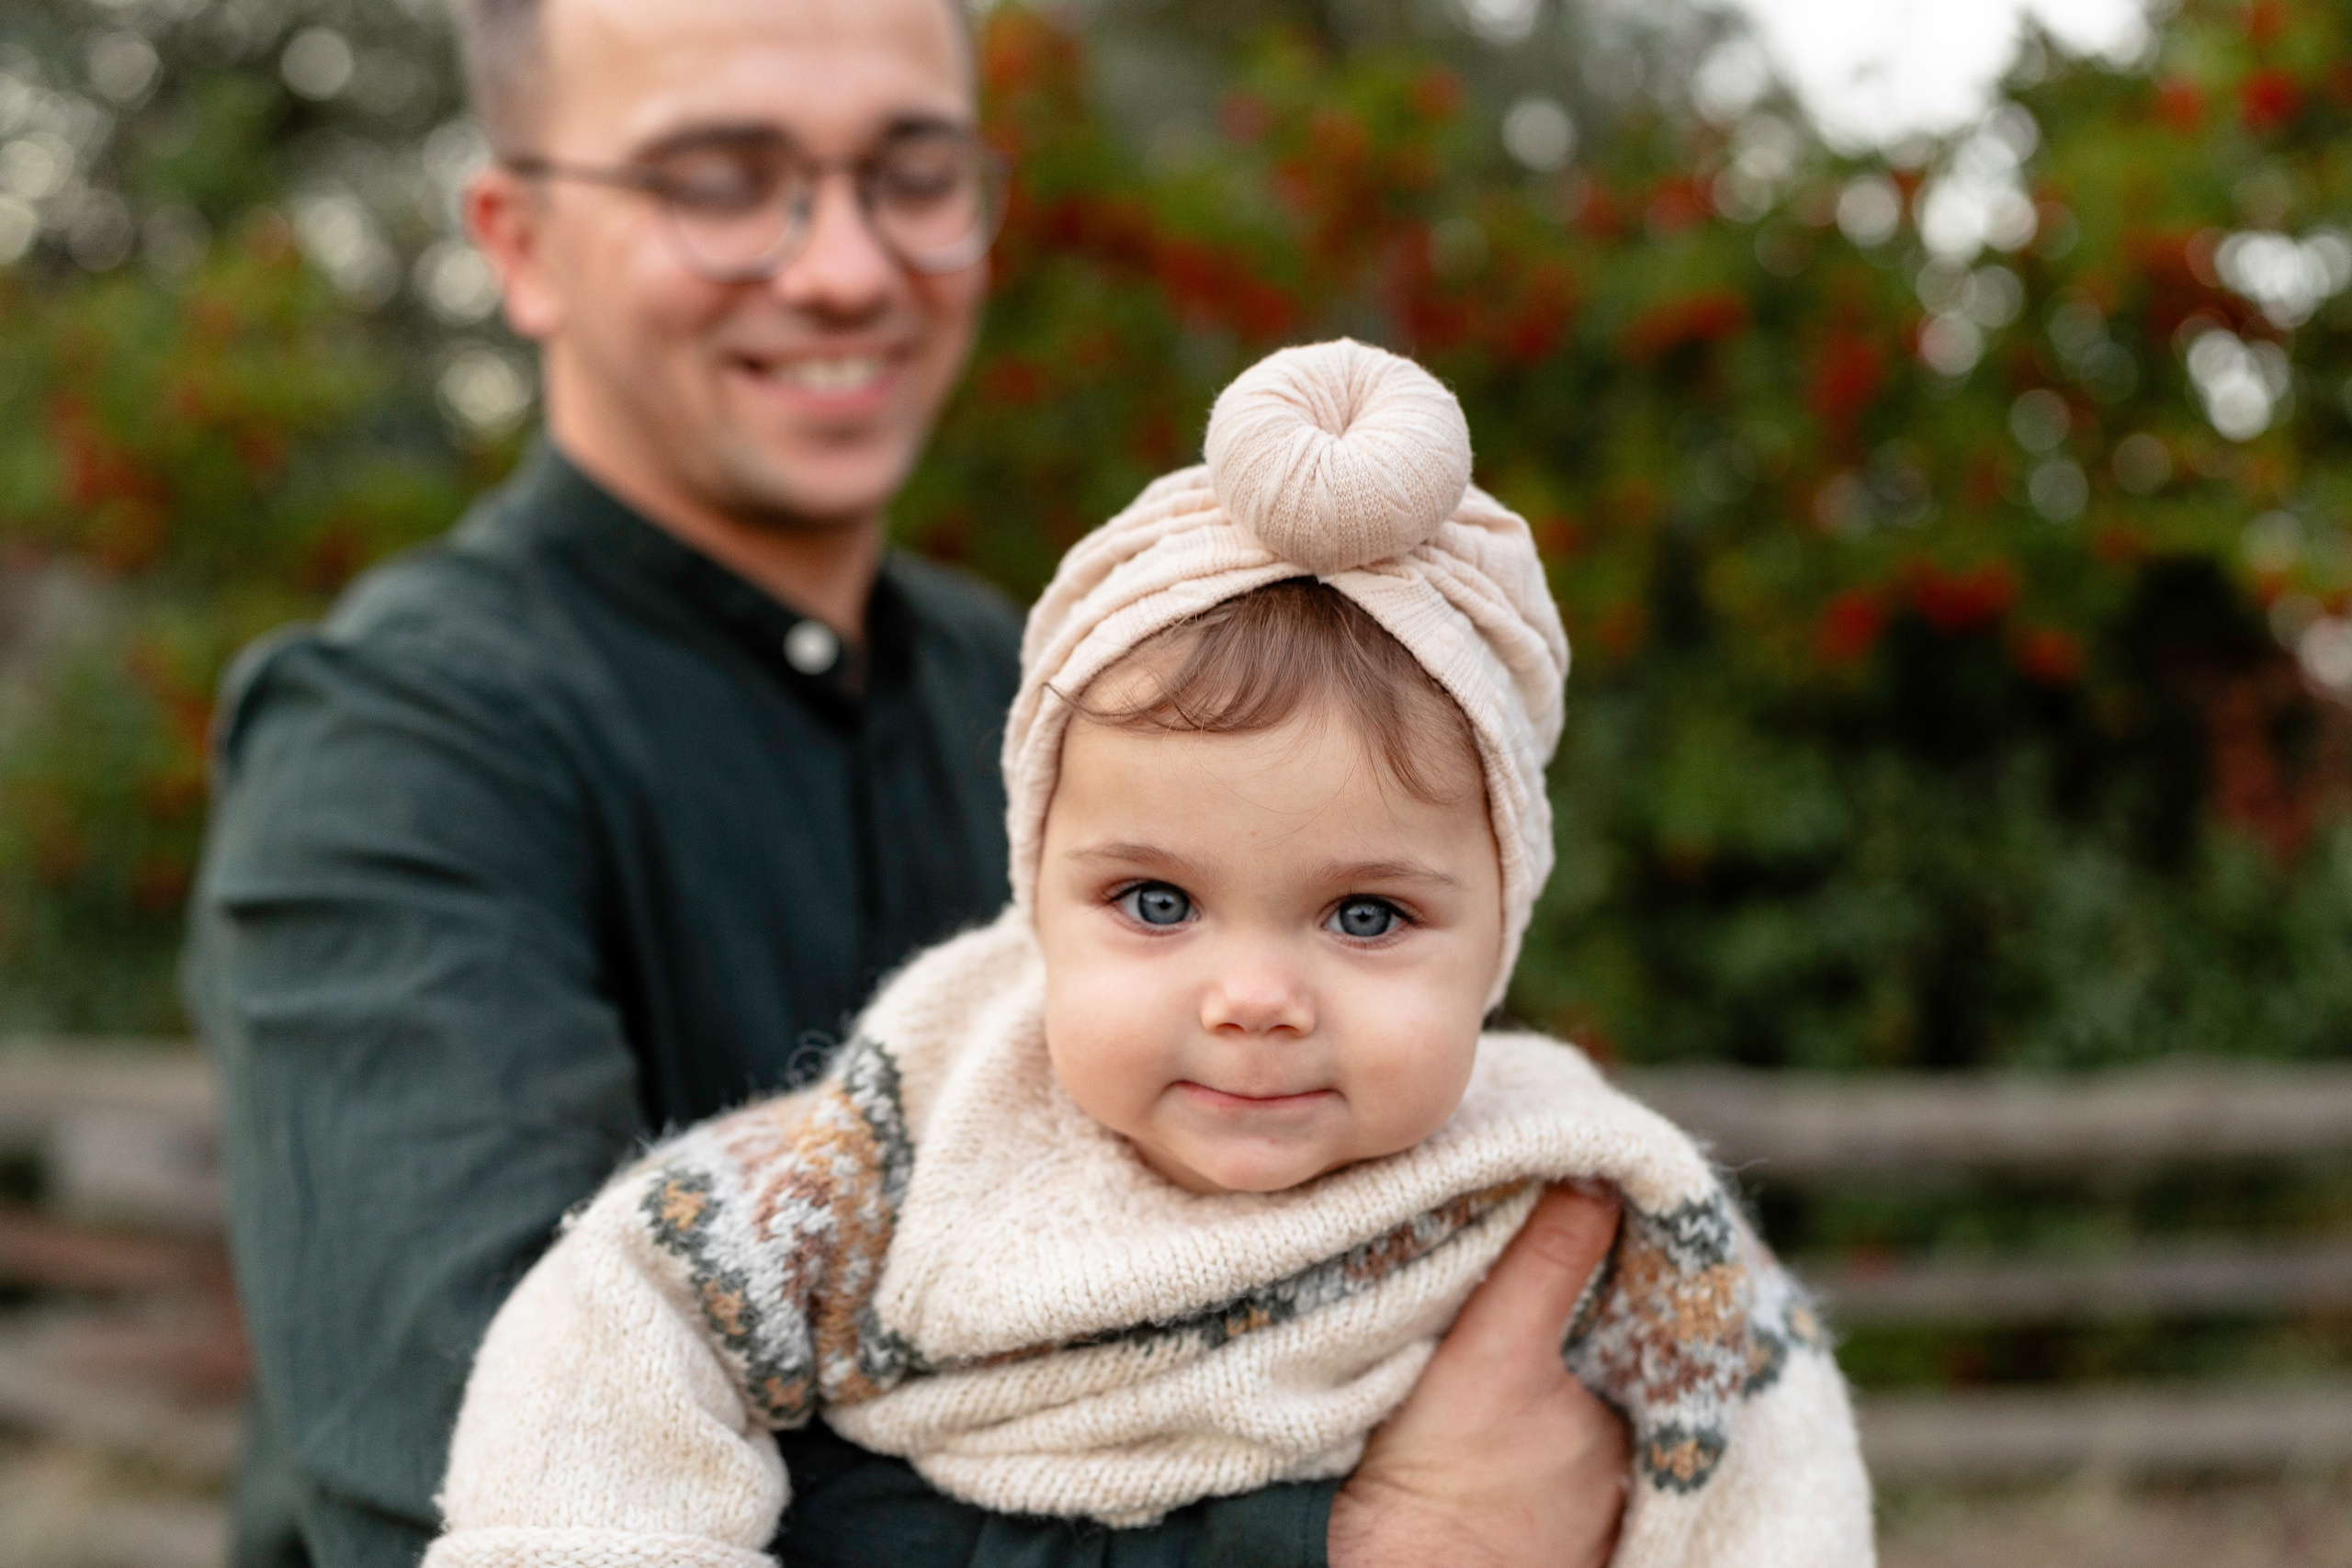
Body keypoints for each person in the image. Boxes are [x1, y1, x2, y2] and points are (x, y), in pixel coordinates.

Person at [183, 0, 1631, 1563]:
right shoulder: (391, 744)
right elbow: (463, 1468)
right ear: (520, 240)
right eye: (721, 181)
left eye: (914, 172)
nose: (847, 267)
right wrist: (1356, 1544)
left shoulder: (1049, 697)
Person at [420, 342, 1875, 1566]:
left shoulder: (1570, 1200)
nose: (1253, 1001)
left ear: (1501, 937)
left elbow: (1772, 1476)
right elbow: (624, 1313)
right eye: (1157, 905)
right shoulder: (908, 1146)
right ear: (1035, 899)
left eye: (1367, 917)